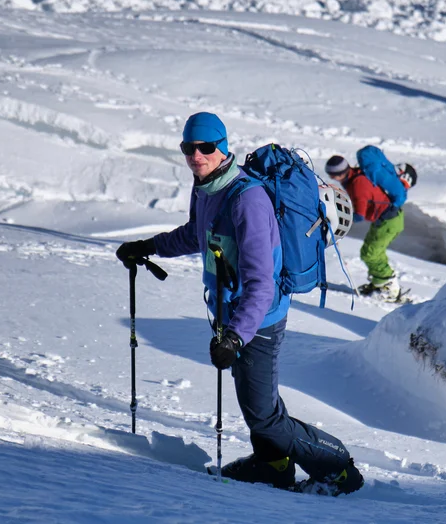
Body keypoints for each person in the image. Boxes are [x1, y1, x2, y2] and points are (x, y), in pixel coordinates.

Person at [116, 112, 363, 496]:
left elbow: (261, 284)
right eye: (188, 148)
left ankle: (338, 468)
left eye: (205, 147)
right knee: (256, 402)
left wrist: (235, 337)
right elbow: (196, 234)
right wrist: (148, 247)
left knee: (264, 416)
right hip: (233, 316)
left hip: (259, 320)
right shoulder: (206, 187)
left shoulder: (247, 200)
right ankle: (272, 464)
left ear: (222, 147)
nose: (196, 156)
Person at [324, 152, 404, 301]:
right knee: (369, 251)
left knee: (371, 254)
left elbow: (359, 214)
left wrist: (337, 219)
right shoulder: (355, 177)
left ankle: (390, 287)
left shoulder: (357, 184)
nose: (332, 178)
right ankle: (379, 284)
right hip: (386, 219)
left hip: (389, 220)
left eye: (333, 175)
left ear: (341, 173)